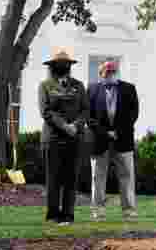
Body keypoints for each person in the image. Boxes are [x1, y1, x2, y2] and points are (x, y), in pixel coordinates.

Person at [38, 48, 89, 225]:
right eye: (59, 64)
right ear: (53, 66)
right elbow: (46, 111)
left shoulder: (79, 85)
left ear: (69, 66)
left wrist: (75, 126)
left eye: (66, 64)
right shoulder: (45, 86)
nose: (63, 66)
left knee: (71, 178)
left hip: (75, 138)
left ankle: (68, 215)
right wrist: (64, 126)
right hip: (53, 138)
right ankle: (53, 215)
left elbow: (85, 110)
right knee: (53, 178)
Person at [87, 59, 140, 221]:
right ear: (100, 73)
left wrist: (118, 131)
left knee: (127, 176)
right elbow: (88, 117)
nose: (109, 75)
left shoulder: (129, 89)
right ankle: (98, 211)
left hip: (123, 140)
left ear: (116, 72)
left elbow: (133, 114)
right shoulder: (92, 89)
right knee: (98, 177)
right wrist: (105, 133)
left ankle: (129, 211)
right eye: (106, 72)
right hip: (99, 141)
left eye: (112, 72)